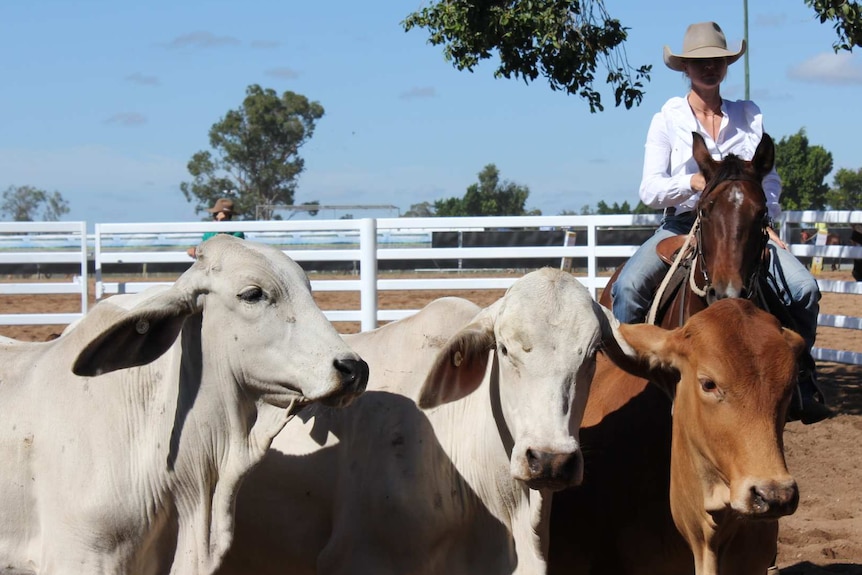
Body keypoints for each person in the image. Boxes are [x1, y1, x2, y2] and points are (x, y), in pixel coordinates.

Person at [610, 21, 832, 424]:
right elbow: (649, 188)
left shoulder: (749, 115)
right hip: (681, 224)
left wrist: (764, 217)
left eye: (716, 61)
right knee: (627, 288)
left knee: (803, 290)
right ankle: (626, 384)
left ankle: (801, 378)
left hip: (744, 229)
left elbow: (771, 178)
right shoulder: (667, 119)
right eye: (699, 63)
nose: (708, 68)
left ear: (726, 65)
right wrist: (691, 182)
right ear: (685, 69)